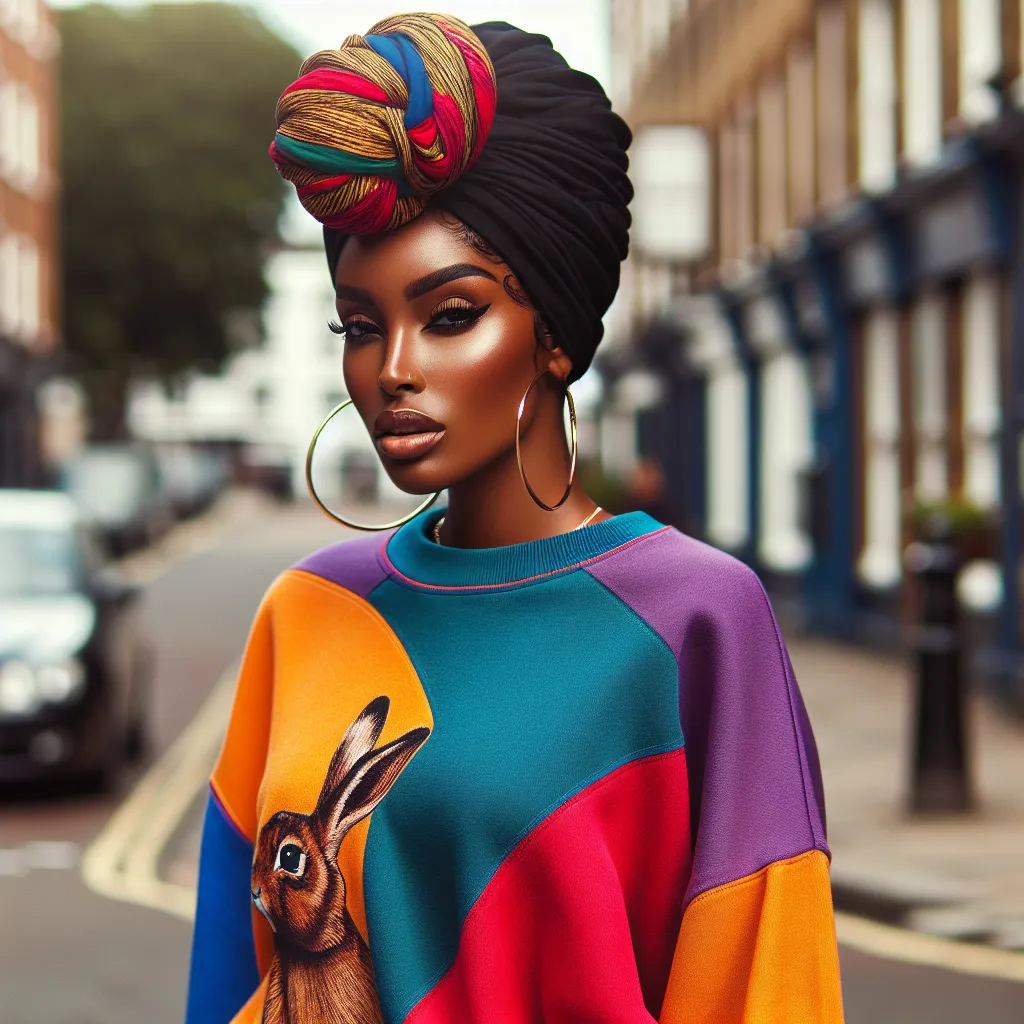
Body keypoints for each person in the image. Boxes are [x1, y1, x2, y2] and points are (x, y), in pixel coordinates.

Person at [185, 14, 845, 1024]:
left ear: (553, 336)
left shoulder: (697, 623)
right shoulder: (307, 612)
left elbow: (765, 992)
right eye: (361, 326)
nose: (392, 369)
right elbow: (232, 982)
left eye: (450, 315)